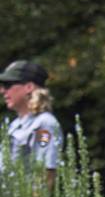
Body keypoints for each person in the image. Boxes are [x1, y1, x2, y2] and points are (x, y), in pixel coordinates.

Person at [0, 60, 61, 189]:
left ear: (29, 87)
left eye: (8, 85)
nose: (2, 91)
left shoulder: (44, 124)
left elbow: (46, 174)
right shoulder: (14, 125)